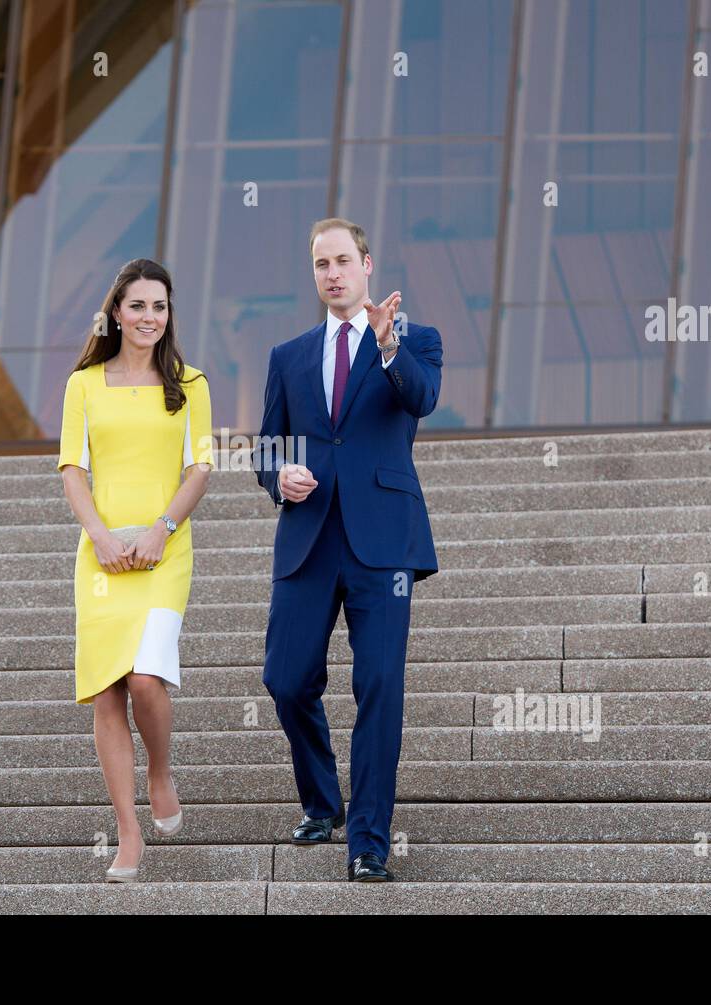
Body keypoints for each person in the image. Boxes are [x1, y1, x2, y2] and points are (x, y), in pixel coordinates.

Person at [254, 218, 441, 882]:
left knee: (380, 684)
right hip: (308, 540)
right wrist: (280, 475)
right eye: (320, 264)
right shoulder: (289, 356)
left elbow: (423, 396)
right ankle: (322, 800)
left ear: (366, 264)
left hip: (383, 543)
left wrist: (389, 346)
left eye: (342, 260)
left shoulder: (414, 340)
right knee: (284, 678)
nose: (331, 272)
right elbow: (267, 446)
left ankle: (368, 839)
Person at [57, 258, 213, 882]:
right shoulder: (84, 384)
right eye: (139, 306)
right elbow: (73, 468)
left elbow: (199, 468)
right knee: (108, 693)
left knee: (147, 679)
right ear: (116, 312)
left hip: (164, 552)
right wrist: (97, 536)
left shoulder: (191, 383)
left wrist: (161, 530)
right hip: (100, 560)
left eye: (161, 307)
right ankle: (127, 831)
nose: (151, 317)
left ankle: (160, 771)